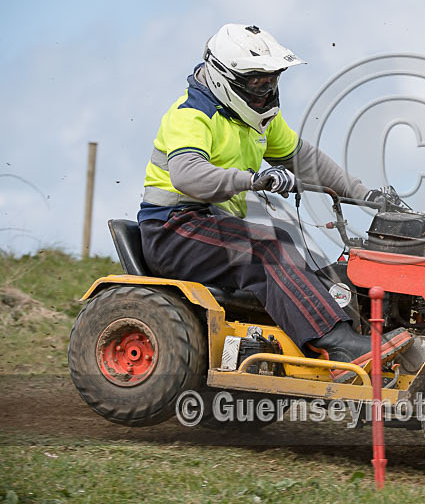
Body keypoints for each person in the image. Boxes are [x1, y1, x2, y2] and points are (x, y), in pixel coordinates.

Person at [137, 23, 410, 381]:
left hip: (208, 225)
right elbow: (188, 175)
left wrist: (365, 195)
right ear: (224, 77)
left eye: (270, 80)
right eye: (255, 81)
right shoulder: (191, 115)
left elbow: (304, 158)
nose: (265, 90)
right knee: (266, 247)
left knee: (290, 245)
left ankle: (349, 337)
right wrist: (251, 180)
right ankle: (338, 346)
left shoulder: (259, 120)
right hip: (172, 230)